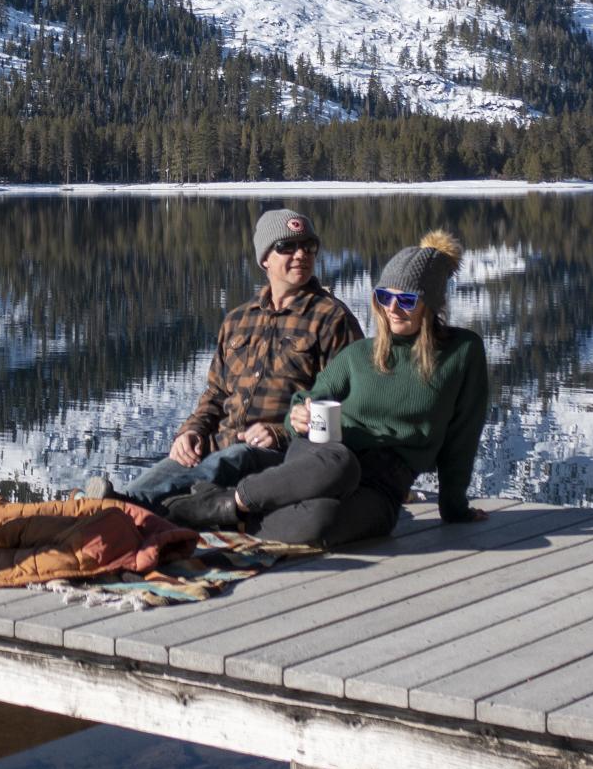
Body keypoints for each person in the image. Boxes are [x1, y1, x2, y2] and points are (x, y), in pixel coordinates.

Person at [166, 230, 489, 547]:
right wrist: (298, 415)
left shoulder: (461, 353)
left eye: (406, 299)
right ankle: (229, 501)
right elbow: (306, 400)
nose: (392, 308)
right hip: (324, 457)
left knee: (322, 521)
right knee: (341, 464)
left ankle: (225, 511)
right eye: (383, 297)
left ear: (430, 303)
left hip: (384, 484)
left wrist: (454, 508)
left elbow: (463, 436)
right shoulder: (360, 355)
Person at [114, 208, 363, 513]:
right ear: (265, 259)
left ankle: (127, 509)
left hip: (279, 455)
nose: (301, 254)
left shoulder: (332, 319)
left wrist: (280, 432)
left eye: (308, 246)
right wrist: (191, 431)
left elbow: (351, 405)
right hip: (218, 446)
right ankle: (111, 506)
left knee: (230, 461)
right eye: (287, 247)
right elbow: (216, 393)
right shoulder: (238, 319)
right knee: (165, 470)